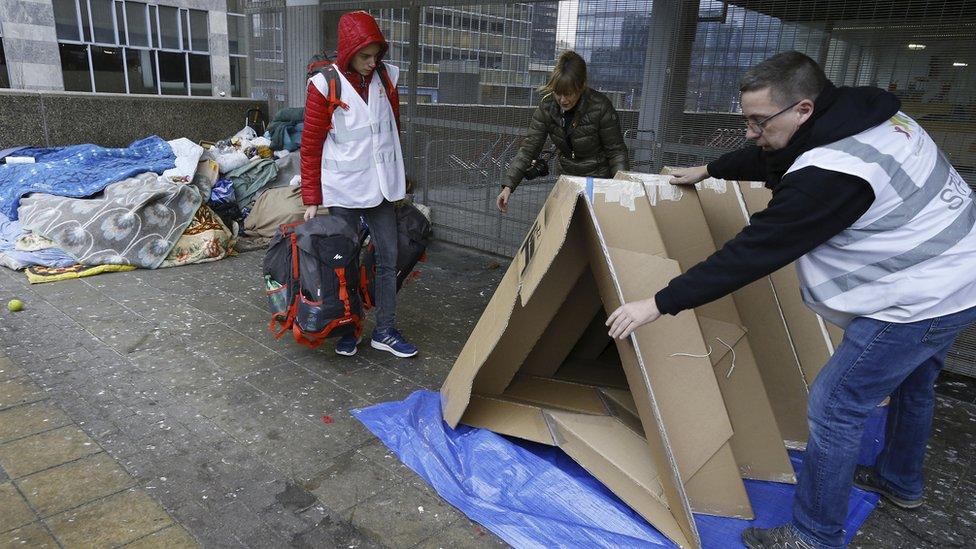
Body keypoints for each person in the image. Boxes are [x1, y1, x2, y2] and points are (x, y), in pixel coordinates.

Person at [606, 51, 976, 549]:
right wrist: (710, 168)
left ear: (803, 108)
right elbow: (771, 153)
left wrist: (658, 303)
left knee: (835, 405)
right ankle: (900, 481)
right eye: (747, 120)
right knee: (914, 382)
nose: (751, 133)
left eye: (759, 121)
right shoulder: (863, 113)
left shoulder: (832, 175)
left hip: (919, 297)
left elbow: (751, 254)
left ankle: (814, 535)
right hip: (959, 270)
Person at [299, 11, 417, 359]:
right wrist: (311, 196)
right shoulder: (325, 85)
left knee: (388, 257)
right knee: (344, 261)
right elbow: (310, 144)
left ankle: (385, 330)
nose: (372, 62)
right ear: (349, 50)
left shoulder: (386, 78)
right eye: (366, 55)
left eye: (376, 55)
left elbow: (391, 130)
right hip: (345, 188)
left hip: (381, 187)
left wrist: (399, 176)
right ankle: (349, 328)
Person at [496, 50, 630, 213]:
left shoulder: (601, 107)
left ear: (580, 87)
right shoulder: (547, 107)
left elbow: (616, 152)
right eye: (558, 93)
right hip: (567, 180)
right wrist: (508, 186)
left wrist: (621, 189)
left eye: (568, 94)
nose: (563, 100)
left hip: (598, 182)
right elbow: (529, 147)